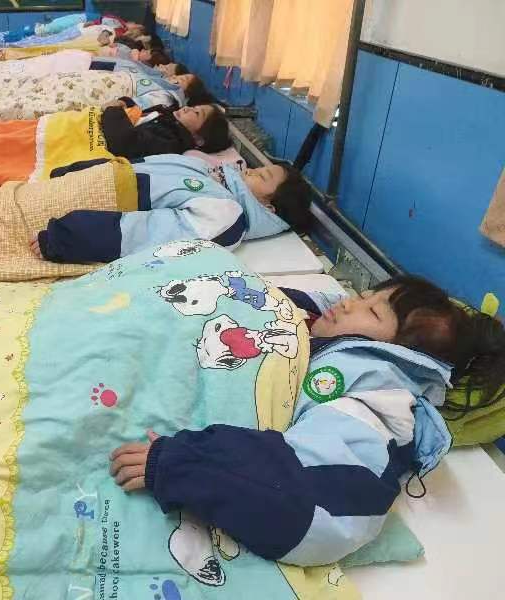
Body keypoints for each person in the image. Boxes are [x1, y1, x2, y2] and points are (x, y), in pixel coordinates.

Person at [108, 275, 505, 575]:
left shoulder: (376, 400)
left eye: (372, 312)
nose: (349, 303)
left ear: (400, 353)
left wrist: (186, 464)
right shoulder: (345, 340)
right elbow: (276, 300)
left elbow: (316, 510)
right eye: (364, 294)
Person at [29, 158, 310, 263]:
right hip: (73, 189)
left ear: (268, 206)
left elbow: (145, 235)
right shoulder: (211, 174)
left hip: (68, 220)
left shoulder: (226, 215)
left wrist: (65, 238)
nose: (251, 170)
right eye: (259, 167)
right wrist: (73, 171)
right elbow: (139, 165)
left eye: (262, 176)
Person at [102, 103, 231, 161]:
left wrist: (113, 110)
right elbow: (140, 112)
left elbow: (125, 142)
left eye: (196, 113)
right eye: (193, 107)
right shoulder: (168, 118)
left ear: (199, 139)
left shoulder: (170, 143)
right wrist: (126, 102)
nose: (187, 108)